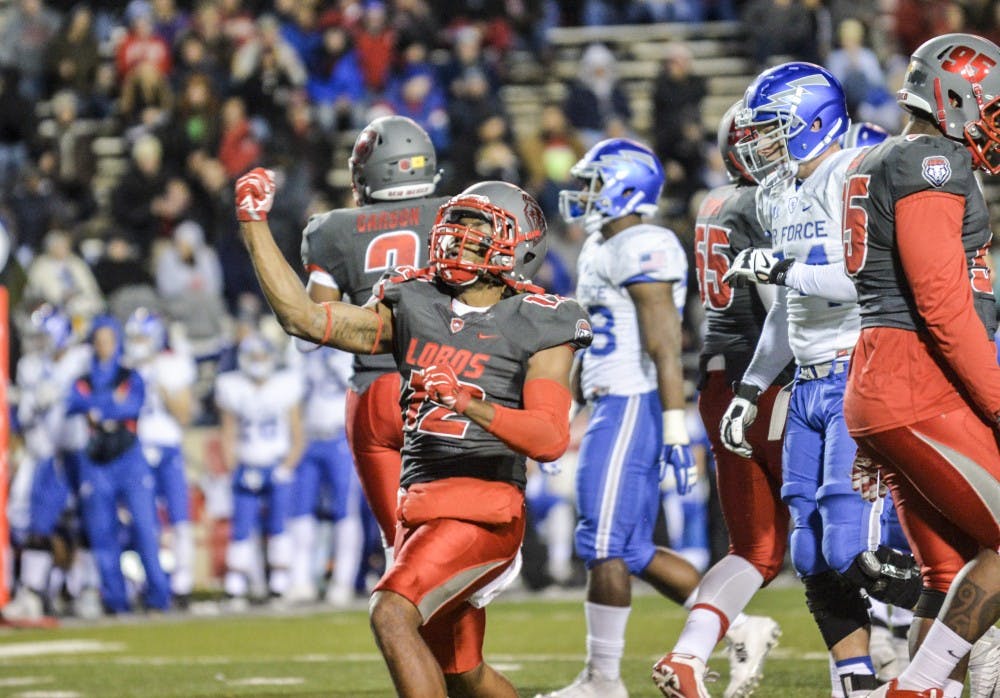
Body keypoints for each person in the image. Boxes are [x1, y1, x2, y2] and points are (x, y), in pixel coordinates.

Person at [235, 167, 591, 698]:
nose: (455, 240)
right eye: (456, 226)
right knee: (463, 672)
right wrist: (253, 223)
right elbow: (307, 320)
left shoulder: (541, 320)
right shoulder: (416, 301)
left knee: (391, 612)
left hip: (484, 506)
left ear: (516, 248)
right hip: (420, 506)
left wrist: (470, 402)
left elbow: (548, 437)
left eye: (477, 231)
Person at [711, 62, 921, 698]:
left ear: (812, 122)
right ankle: (857, 681)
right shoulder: (777, 193)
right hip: (805, 379)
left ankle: (973, 612)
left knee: (849, 548)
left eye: (772, 128)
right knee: (808, 553)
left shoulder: (851, 172)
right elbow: (788, 310)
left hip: (859, 370)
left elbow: (858, 279)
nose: (759, 142)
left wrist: (779, 266)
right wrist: (749, 389)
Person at [839, 33, 1000, 698]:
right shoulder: (932, 159)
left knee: (947, 570)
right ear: (953, 95)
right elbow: (943, 306)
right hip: (918, 381)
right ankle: (922, 687)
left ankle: (917, 684)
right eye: (989, 105)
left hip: (886, 377)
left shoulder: (882, 156)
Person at [536, 137, 697, 698]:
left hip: (634, 399)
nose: (583, 193)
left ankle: (604, 680)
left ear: (626, 186)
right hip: (609, 398)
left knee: (601, 543)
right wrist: (567, 410)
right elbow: (588, 344)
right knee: (627, 549)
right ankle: (732, 623)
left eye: (594, 183)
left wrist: (676, 425)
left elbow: (665, 343)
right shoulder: (601, 244)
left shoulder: (645, 242)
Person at [652, 102, 787, 697]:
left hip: (717, 381)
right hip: (769, 378)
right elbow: (784, 306)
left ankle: (687, 655)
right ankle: (866, 673)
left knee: (755, 548)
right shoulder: (765, 203)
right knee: (840, 528)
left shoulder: (713, 200)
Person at [300, 115, 448, 558]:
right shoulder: (459, 213)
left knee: (400, 549)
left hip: (375, 390)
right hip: (449, 384)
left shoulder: (332, 230)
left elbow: (309, 335)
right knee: (455, 539)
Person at [66, 314, 170, 614]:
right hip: (97, 460)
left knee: (146, 527)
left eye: (109, 340)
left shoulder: (128, 376)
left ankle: (158, 595)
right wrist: (107, 405)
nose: (104, 346)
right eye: (99, 340)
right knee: (101, 532)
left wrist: (98, 407)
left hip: (128, 456)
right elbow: (73, 402)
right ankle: (115, 599)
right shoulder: (84, 380)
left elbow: (131, 405)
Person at [2, 304, 91, 622]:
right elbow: (23, 416)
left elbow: (94, 395)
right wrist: (31, 401)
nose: (38, 342)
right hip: (42, 454)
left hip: (76, 453)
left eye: (44, 335)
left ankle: (76, 590)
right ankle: (36, 591)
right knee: (34, 524)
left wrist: (68, 396)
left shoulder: (79, 359)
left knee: (82, 525)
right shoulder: (29, 365)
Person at [215, 333, 304, 605]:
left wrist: (287, 466)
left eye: (262, 356)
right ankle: (237, 584)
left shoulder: (284, 385)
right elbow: (228, 433)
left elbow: (298, 433)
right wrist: (233, 469)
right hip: (247, 463)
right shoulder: (233, 386)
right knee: (241, 526)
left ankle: (279, 583)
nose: (257, 362)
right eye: (252, 357)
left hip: (277, 462)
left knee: (279, 525)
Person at [124, 308, 197, 606]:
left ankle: (183, 582)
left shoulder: (173, 363)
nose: (138, 342)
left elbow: (184, 414)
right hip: (134, 448)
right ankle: (140, 580)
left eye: (143, 336)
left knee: (180, 517)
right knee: (140, 520)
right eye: (134, 337)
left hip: (167, 446)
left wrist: (160, 386)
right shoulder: (121, 366)